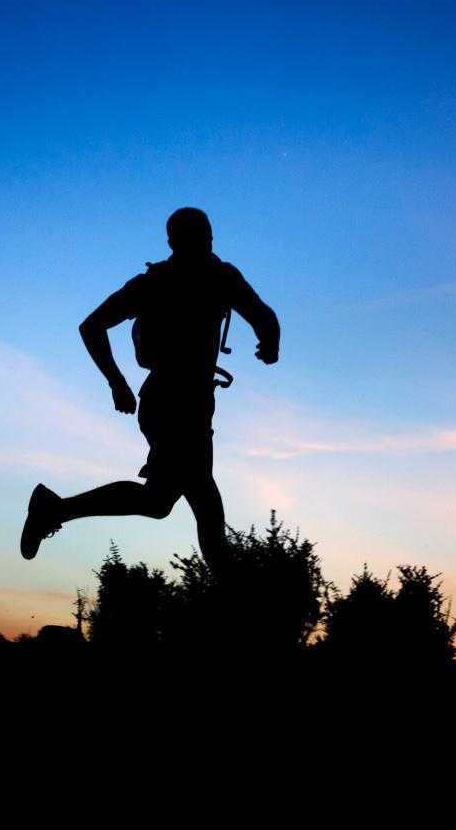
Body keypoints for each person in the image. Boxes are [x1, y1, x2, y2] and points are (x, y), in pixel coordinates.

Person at [19, 207, 279, 566]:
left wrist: (270, 341)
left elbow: (263, 316)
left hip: (192, 402)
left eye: (202, 238)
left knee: (161, 501)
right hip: (169, 402)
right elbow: (91, 326)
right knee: (203, 499)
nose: (200, 245)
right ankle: (232, 598)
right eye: (194, 238)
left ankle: (55, 509)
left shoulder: (216, 278)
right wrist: (117, 382)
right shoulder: (168, 282)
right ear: (176, 242)